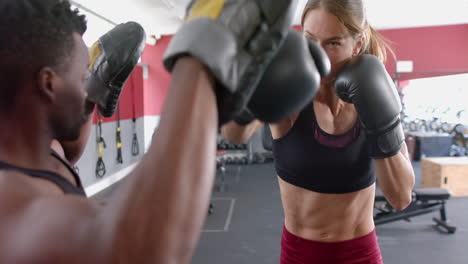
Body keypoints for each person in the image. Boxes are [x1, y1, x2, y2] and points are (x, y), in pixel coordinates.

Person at [0, 0, 328, 262]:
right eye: (82, 78)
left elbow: (68, 152)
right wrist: (202, 54)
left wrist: (92, 98)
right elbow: (134, 251)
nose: (86, 89)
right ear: (48, 84)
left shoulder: (38, 151)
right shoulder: (10, 204)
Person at [222, 0, 415, 263]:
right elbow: (234, 135)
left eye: (333, 43)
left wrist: (380, 120)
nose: (319, 54)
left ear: (357, 45)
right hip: (301, 255)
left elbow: (401, 198)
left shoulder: (371, 95)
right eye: (310, 39)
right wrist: (252, 85)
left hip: (361, 254)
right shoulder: (292, 97)